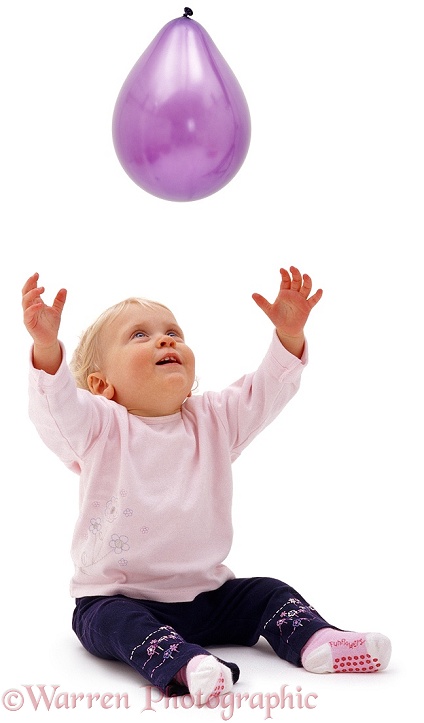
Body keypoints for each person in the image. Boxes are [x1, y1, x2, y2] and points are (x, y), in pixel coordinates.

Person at [22, 267, 391, 704]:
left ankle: (317, 642)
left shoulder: (212, 420)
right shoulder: (100, 427)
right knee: (110, 622)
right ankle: (185, 665)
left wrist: (288, 338)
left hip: (208, 596)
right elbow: (57, 408)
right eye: (140, 336)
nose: (166, 340)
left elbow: (266, 391)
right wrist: (47, 349)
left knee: (268, 592)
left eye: (173, 331)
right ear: (103, 386)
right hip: (120, 597)